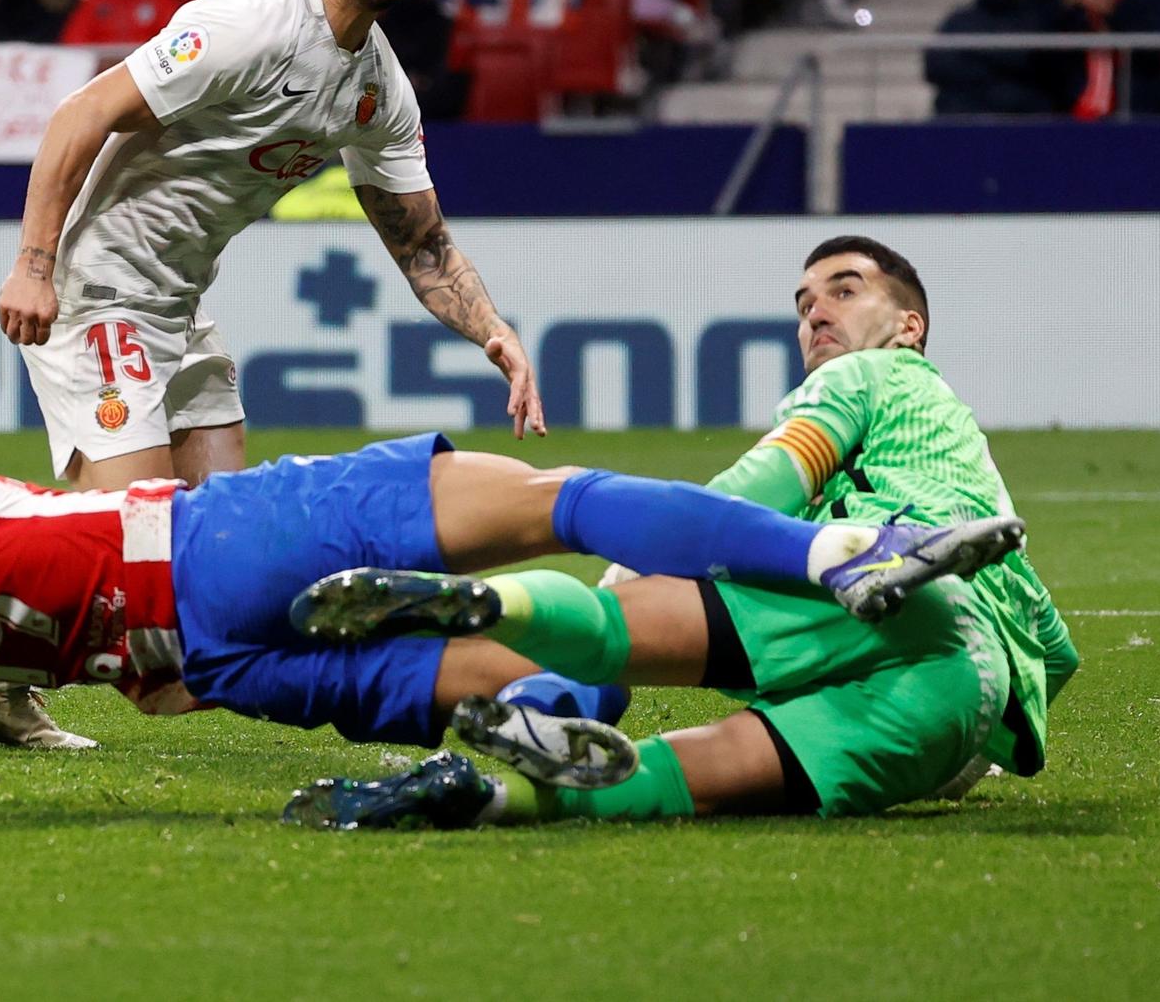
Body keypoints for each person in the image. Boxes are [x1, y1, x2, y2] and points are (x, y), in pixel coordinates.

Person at [0, 373, 1023, 825]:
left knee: (502, 685)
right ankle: (831, 558)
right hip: (216, 543)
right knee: (551, 499)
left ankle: (543, 724)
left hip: (201, 665)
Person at [283, 237, 1072, 828]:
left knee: (613, 623)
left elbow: (766, 483)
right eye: (804, 304)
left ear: (909, 326)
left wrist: (646, 554)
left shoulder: (872, 372)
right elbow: (1056, 652)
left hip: (873, 581)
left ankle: (500, 625)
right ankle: (490, 798)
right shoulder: (971, 465)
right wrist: (982, 742)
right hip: (958, 702)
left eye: (844, 289)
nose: (816, 312)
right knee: (693, 774)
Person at [0, 0, 544, 497]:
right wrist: (33, 267)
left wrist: (494, 331)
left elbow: (423, 246)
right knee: (134, 550)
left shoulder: (382, 90)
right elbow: (80, 113)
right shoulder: (248, 26)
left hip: (178, 303)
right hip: (97, 290)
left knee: (224, 542)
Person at [924, 0, 1073, 115]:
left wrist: (974, 52)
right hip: (962, 121)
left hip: (1026, 123)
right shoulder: (959, 21)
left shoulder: (1045, 21)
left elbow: (1042, 67)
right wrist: (1010, 64)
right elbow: (936, 66)